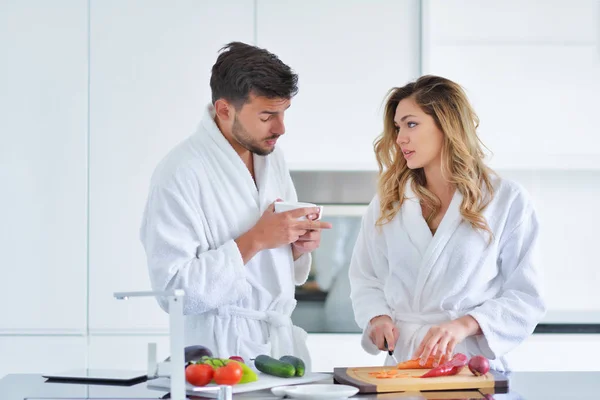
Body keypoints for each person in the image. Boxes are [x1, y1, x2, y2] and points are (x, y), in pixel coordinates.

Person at [140, 42, 331, 369]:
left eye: (283, 113)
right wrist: (256, 238)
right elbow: (172, 291)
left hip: (279, 352)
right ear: (225, 109)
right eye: (267, 116)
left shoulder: (272, 159)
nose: (281, 128)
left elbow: (270, 259)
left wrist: (296, 246)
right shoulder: (181, 171)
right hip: (216, 355)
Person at [349, 75, 545, 372]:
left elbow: (526, 295)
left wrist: (464, 325)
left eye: (411, 124)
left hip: (471, 366)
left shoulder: (505, 200)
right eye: (398, 127)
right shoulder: (389, 202)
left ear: (447, 125)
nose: (400, 137)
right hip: (404, 366)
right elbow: (366, 278)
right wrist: (377, 318)